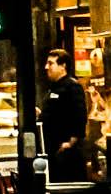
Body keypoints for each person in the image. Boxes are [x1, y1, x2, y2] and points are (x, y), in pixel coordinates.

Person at [40, 51, 96, 184]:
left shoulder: (73, 87)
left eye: (51, 63)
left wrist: (70, 143)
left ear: (63, 66)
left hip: (67, 153)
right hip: (53, 150)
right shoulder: (53, 88)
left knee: (69, 191)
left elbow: (79, 116)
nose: (46, 67)